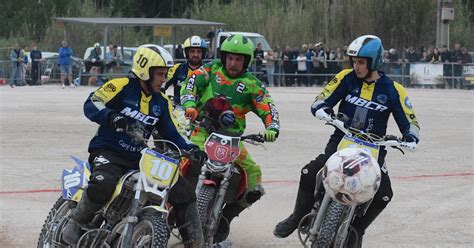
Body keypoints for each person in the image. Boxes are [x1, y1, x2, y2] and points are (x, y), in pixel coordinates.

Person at [273, 35, 420, 247]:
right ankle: (297, 217)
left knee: (384, 195)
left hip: (374, 151)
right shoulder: (345, 78)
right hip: (342, 141)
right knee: (308, 173)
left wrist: (411, 137)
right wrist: (322, 110)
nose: (356, 66)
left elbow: (410, 121)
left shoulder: (394, 90)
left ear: (374, 62)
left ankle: (357, 230)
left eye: (361, 62)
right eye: (354, 61)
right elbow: (322, 100)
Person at [62, 44, 206, 247]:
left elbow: (172, 133)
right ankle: (76, 221)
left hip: (139, 158)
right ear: (145, 72)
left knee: (185, 193)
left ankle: (196, 243)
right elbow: (92, 103)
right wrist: (111, 116)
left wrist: (191, 149)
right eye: (160, 74)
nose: (164, 80)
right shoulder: (120, 86)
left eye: (165, 75)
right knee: (104, 183)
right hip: (107, 152)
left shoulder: (161, 102)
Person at [180, 34, 280, 244]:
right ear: (224, 57)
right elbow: (190, 86)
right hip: (201, 132)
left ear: (246, 61)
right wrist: (189, 105)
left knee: (254, 175)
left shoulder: (252, 84)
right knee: (182, 160)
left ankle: (227, 217)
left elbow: (267, 107)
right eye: (231, 58)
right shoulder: (209, 70)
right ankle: (169, 206)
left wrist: (272, 127)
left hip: (232, 139)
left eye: (239, 59)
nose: (234, 63)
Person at [162, 36, 208, 106]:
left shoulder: (208, 71)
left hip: (201, 113)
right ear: (186, 53)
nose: (195, 55)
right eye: (192, 51)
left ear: (203, 53)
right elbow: (162, 85)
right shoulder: (176, 68)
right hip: (178, 111)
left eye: (198, 51)